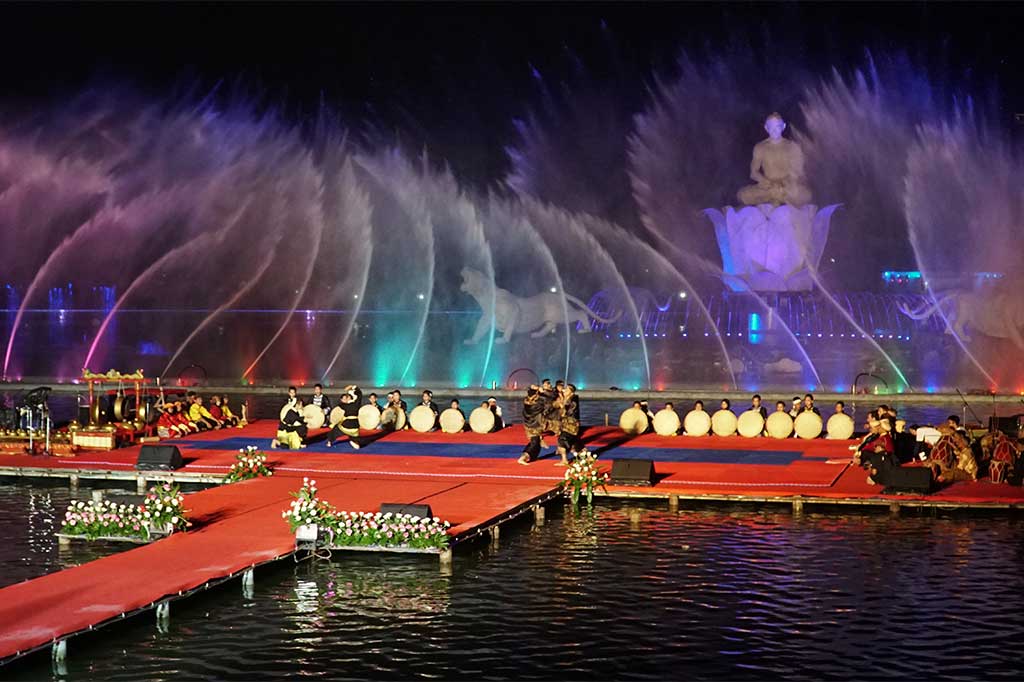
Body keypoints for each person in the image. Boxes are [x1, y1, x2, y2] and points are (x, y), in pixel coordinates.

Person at [737, 112, 812, 206]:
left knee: (806, 194)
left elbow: (798, 172)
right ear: (766, 128)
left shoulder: (792, 146)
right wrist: (765, 182)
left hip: (786, 187)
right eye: (771, 127)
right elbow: (753, 173)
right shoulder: (760, 147)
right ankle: (776, 198)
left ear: (783, 126)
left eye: (777, 126)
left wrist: (783, 184)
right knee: (742, 194)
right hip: (768, 187)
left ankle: (774, 199)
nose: (774, 130)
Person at [518, 386, 545, 465]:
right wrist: (542, 393)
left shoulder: (526, 401)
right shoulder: (535, 405)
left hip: (529, 424)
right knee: (535, 442)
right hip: (534, 425)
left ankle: (532, 456)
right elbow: (544, 403)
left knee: (535, 441)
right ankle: (523, 457)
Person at [555, 383, 581, 466]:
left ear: (571, 392)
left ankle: (564, 460)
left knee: (562, 440)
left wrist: (562, 405)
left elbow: (569, 411)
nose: (564, 390)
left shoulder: (573, 399)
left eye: (567, 390)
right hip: (566, 423)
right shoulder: (566, 398)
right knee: (575, 441)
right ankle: (587, 456)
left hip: (571, 424)